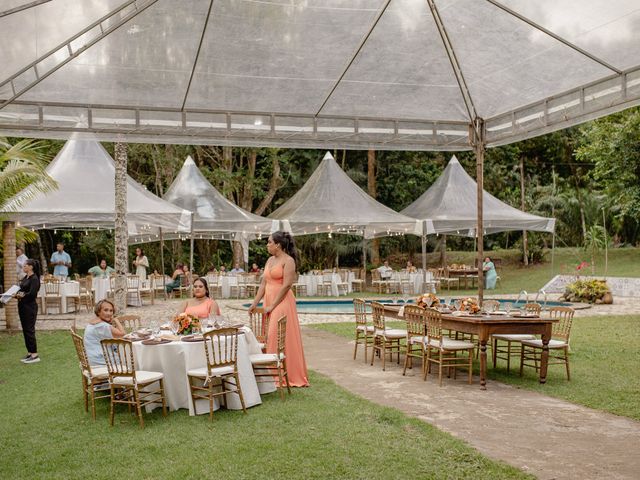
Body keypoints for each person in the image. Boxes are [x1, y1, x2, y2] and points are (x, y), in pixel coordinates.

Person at [249, 231, 309, 387]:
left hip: (282, 302)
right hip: (268, 301)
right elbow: (263, 283)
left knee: (276, 335)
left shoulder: (288, 261)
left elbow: (286, 285)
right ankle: (269, 375)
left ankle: (282, 375)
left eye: (269, 242)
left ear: (278, 245)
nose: (267, 245)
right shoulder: (269, 260)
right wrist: (255, 303)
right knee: (270, 337)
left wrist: (272, 305)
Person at [83, 300, 125, 366]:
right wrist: (116, 320)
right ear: (98, 311)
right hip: (99, 360)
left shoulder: (93, 322)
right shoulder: (102, 326)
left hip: (91, 357)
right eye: (106, 310)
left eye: (111, 311)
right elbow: (122, 334)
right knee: (128, 359)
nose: (109, 313)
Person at [16, 259, 41, 364]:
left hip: (29, 307)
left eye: (26, 265)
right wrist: (15, 294)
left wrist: (19, 295)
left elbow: (32, 294)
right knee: (25, 330)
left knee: (29, 330)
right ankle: (30, 352)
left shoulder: (34, 279)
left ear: (31, 267)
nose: (24, 267)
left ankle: (35, 354)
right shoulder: (25, 277)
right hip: (22, 306)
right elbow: (21, 290)